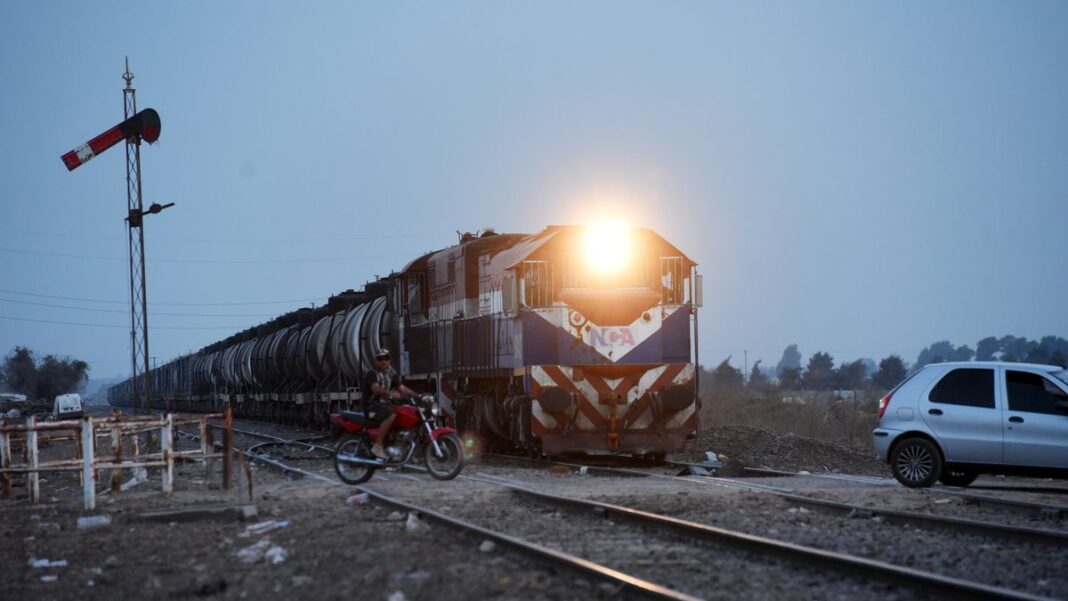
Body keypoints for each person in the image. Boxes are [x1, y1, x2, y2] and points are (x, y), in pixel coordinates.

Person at [360, 349, 416, 459]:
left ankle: (405, 449)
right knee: (391, 414)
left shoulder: (391, 373)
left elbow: (402, 388)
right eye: (380, 359)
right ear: (375, 361)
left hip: (384, 405)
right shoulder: (372, 374)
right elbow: (375, 389)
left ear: (390, 360)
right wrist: (391, 394)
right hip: (371, 406)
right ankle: (378, 445)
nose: (383, 361)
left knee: (406, 413)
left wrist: (417, 395)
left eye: (386, 358)